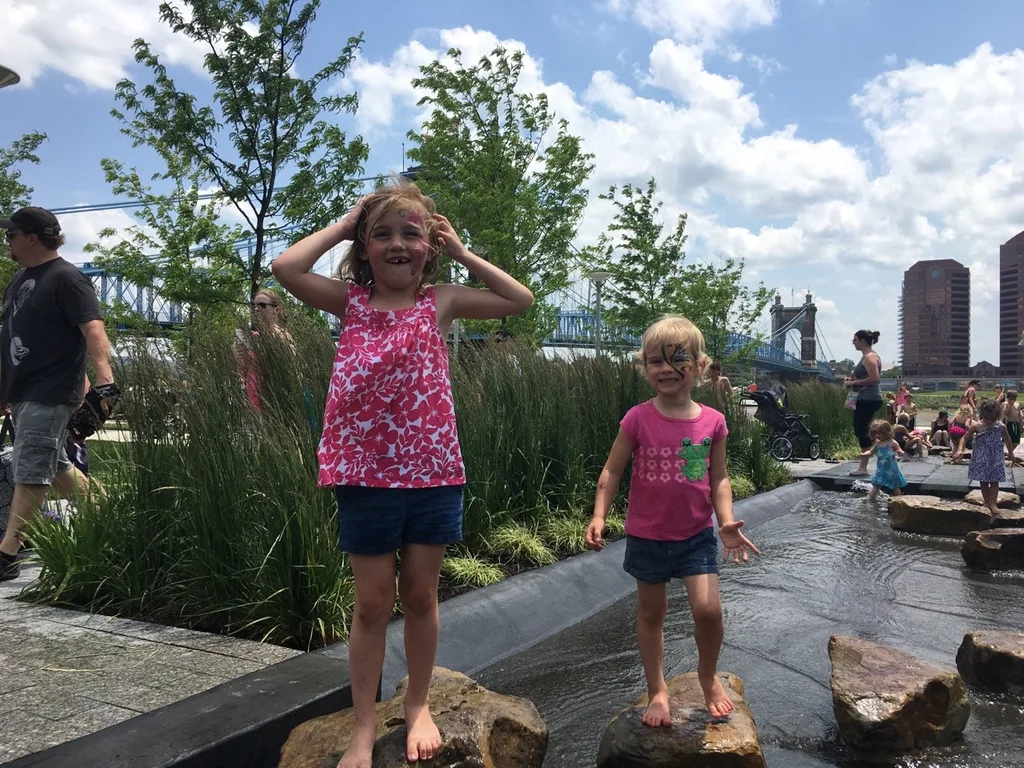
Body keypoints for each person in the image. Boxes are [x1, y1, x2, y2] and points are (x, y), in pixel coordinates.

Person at [271, 181, 533, 768]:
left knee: (420, 595)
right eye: (381, 234)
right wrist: (345, 224)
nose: (396, 244)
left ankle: (417, 704)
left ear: (429, 247)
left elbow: (519, 299)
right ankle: (364, 725)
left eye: (410, 233)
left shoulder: (441, 301)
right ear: (364, 248)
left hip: (433, 471)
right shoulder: (350, 302)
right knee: (370, 604)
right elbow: (286, 268)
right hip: (365, 475)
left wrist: (462, 252)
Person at [585, 315, 759, 723]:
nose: (665, 369)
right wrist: (599, 515)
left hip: (695, 535)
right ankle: (657, 690)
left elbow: (719, 478)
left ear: (699, 366)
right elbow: (612, 470)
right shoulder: (637, 418)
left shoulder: (713, 421)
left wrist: (726, 521)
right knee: (652, 615)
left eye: (677, 360)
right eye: (655, 361)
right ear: (644, 367)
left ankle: (707, 675)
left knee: (709, 611)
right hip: (647, 536)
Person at [0, 207, 117, 580]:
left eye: (11, 234)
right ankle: (113, 518)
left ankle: (7, 555)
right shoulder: (19, 281)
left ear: (32, 237)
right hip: (23, 391)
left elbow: (94, 330)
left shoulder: (68, 278)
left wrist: (105, 380)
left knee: (31, 468)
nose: (7, 241)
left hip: (50, 390)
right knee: (54, 466)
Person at [954, 400, 1022, 514]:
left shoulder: (1001, 426)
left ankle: (993, 503)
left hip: (995, 457)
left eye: (992, 418)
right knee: (984, 480)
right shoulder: (977, 426)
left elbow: (1007, 439)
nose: (989, 421)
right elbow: (965, 438)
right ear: (983, 414)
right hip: (981, 457)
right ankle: (986, 502)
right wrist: (960, 450)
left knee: (994, 480)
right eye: (986, 418)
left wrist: (1011, 452)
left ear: (997, 415)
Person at [234, 288, 294, 412]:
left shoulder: (282, 336)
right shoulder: (254, 337)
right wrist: (239, 355)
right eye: (254, 306)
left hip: (275, 402)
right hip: (253, 402)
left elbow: (289, 368)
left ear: (276, 310)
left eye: (262, 305)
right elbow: (244, 372)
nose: (256, 309)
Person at [844, 330, 883, 477]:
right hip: (866, 398)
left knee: (862, 432)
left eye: (855, 340)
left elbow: (875, 378)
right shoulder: (866, 357)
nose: (853, 343)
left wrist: (853, 383)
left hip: (868, 399)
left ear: (862, 341)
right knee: (865, 431)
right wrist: (851, 380)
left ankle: (863, 468)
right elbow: (866, 377)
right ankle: (882, 452)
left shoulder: (870, 357)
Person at [862, 420, 907, 502]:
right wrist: (864, 454)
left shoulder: (892, 443)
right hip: (881, 470)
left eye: (880, 433)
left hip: (891, 470)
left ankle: (899, 501)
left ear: (887, 432)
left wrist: (900, 452)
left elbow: (899, 449)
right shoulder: (877, 444)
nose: (877, 435)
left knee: (894, 487)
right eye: (875, 433)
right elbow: (871, 452)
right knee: (876, 486)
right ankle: (869, 499)